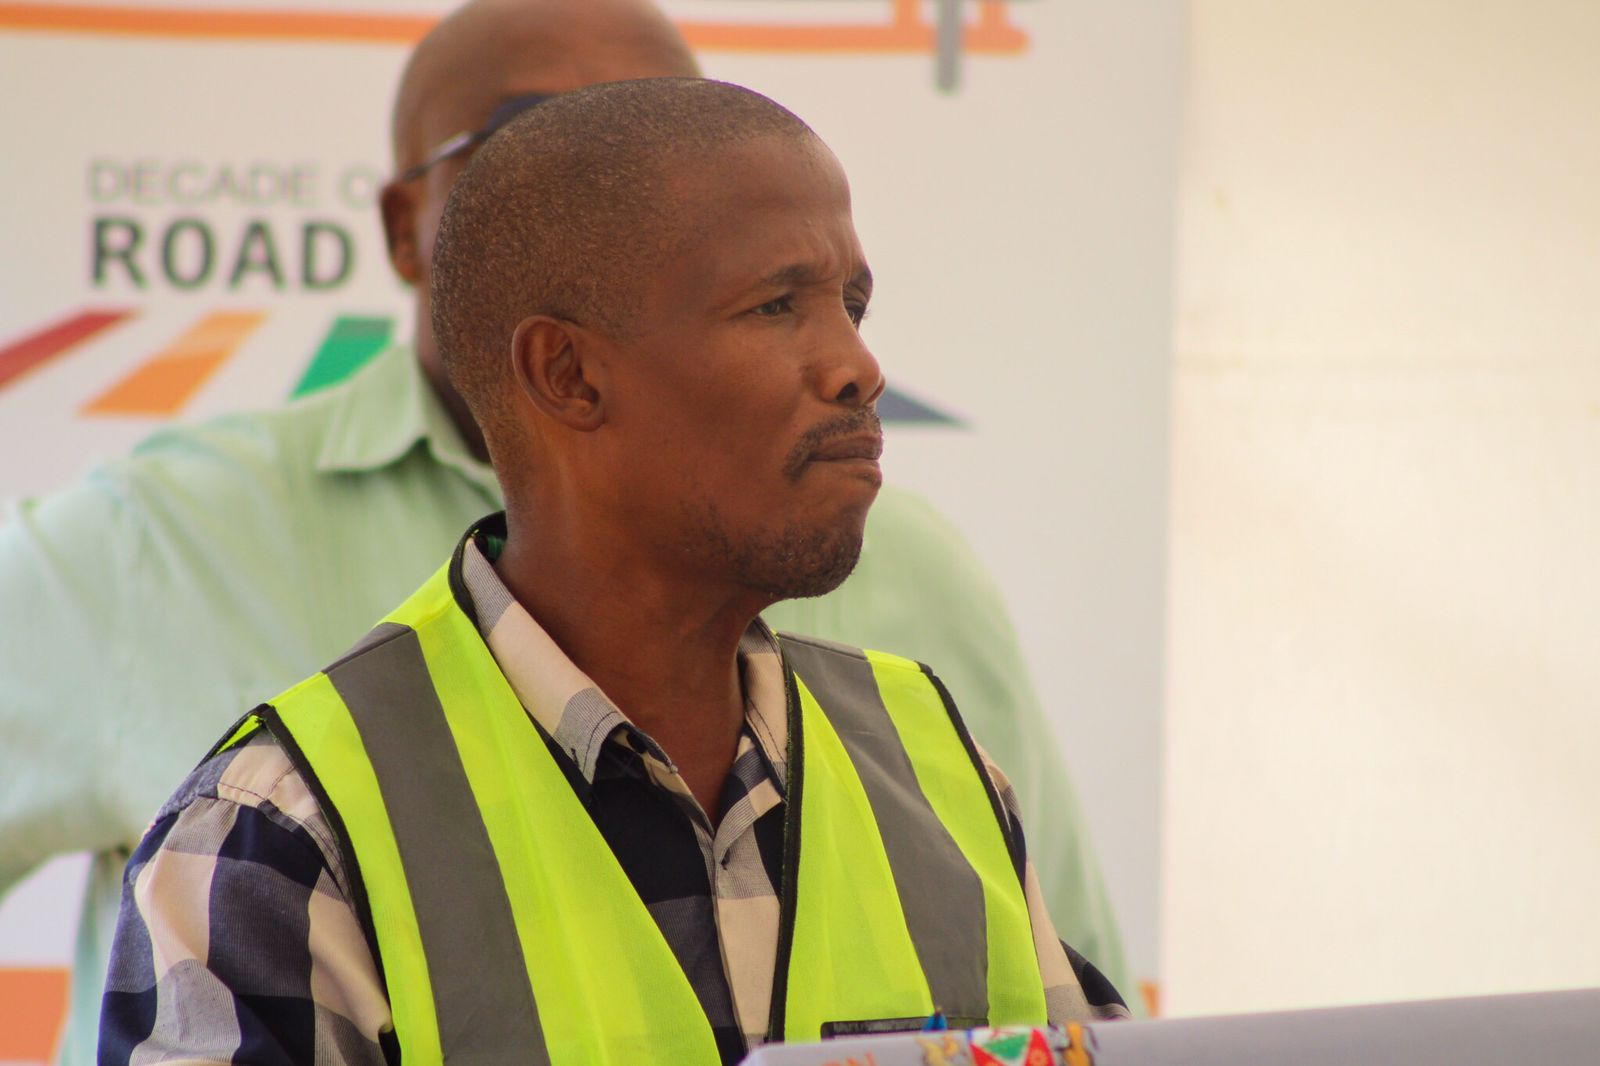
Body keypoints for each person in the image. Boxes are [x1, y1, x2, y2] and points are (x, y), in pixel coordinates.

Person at [0, 1, 1130, 1060]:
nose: (857, 366)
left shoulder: (940, 753)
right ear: (567, 371)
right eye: (775, 305)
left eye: (852, 304)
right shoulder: (267, 810)